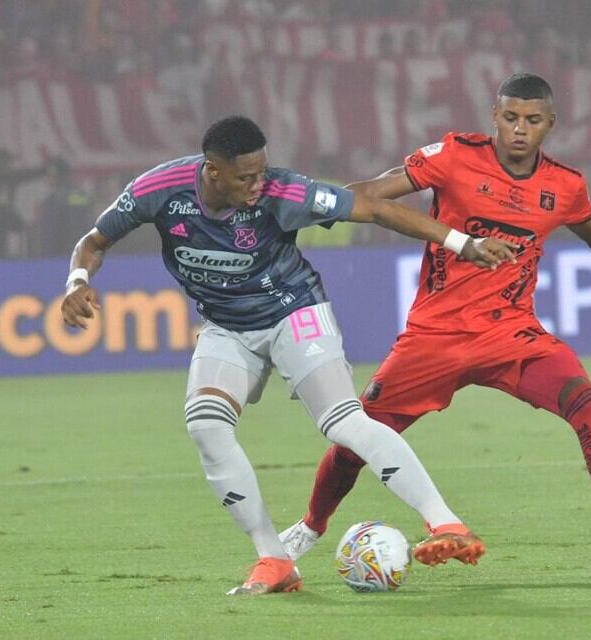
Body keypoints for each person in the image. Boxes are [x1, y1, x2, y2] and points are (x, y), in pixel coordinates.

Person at [61, 116, 518, 596]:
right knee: (205, 426)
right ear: (212, 171)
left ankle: (446, 523)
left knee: (343, 421)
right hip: (227, 326)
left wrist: (462, 243)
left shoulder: (285, 191)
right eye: (246, 177)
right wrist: (77, 282)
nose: (259, 184)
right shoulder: (158, 190)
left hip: (293, 312)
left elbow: (374, 209)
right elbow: (93, 241)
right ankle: (275, 560)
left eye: (262, 171)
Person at [280, 73, 591, 576]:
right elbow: (371, 192)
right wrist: (311, 207)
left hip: (511, 335)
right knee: (355, 439)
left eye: (533, 120)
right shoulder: (454, 156)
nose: (520, 129)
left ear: (550, 124)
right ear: (494, 116)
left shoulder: (564, 185)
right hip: (434, 337)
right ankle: (309, 527)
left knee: (585, 404)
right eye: (511, 117)